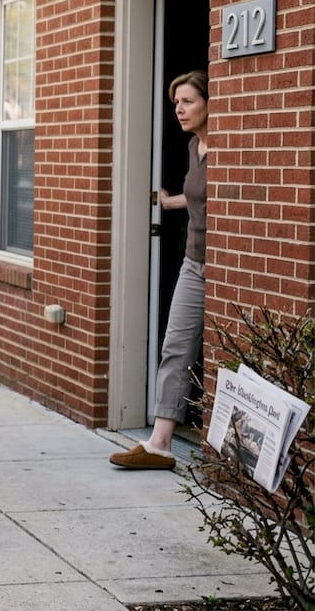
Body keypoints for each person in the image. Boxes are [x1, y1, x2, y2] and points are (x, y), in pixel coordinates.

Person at [111, 70, 209, 470]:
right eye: (176, 104)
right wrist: (172, 204)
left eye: (187, 101)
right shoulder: (193, 146)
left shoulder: (229, 146)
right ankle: (161, 443)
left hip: (223, 266)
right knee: (176, 346)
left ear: (210, 102)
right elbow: (199, 192)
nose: (180, 110)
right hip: (194, 261)